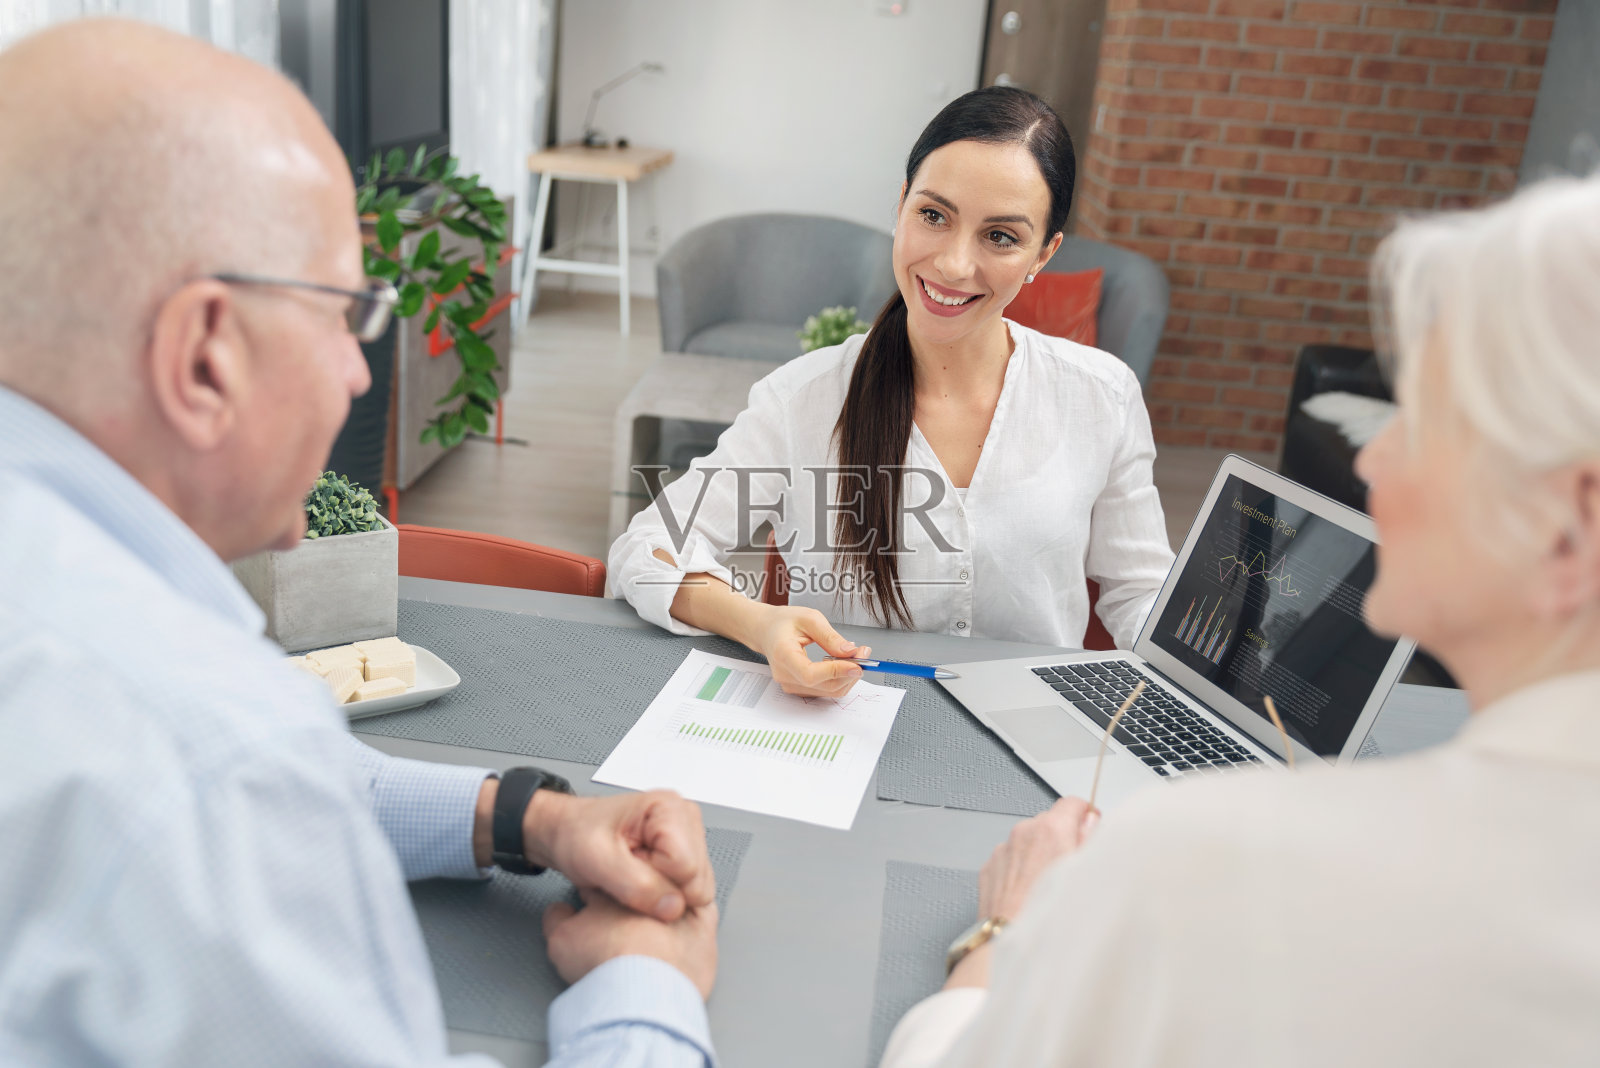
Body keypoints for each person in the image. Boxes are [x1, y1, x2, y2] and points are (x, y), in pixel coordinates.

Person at [0, 20, 718, 1066]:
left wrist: (519, 816)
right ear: (205, 357)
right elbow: (226, 783)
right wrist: (645, 996)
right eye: (347, 313)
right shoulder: (207, 756)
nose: (352, 372)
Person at [879, 173, 1600, 1066]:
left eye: (1431, 419)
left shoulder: (1212, 867)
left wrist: (999, 934)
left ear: (1574, 520)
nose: (1374, 457)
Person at [609, 87, 1174, 697]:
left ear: (1044, 253)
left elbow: (1141, 593)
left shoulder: (1103, 396)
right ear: (901, 205)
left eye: (1000, 237)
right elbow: (647, 548)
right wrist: (759, 623)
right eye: (934, 215)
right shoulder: (803, 399)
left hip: (1035, 731)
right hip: (841, 725)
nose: (955, 265)